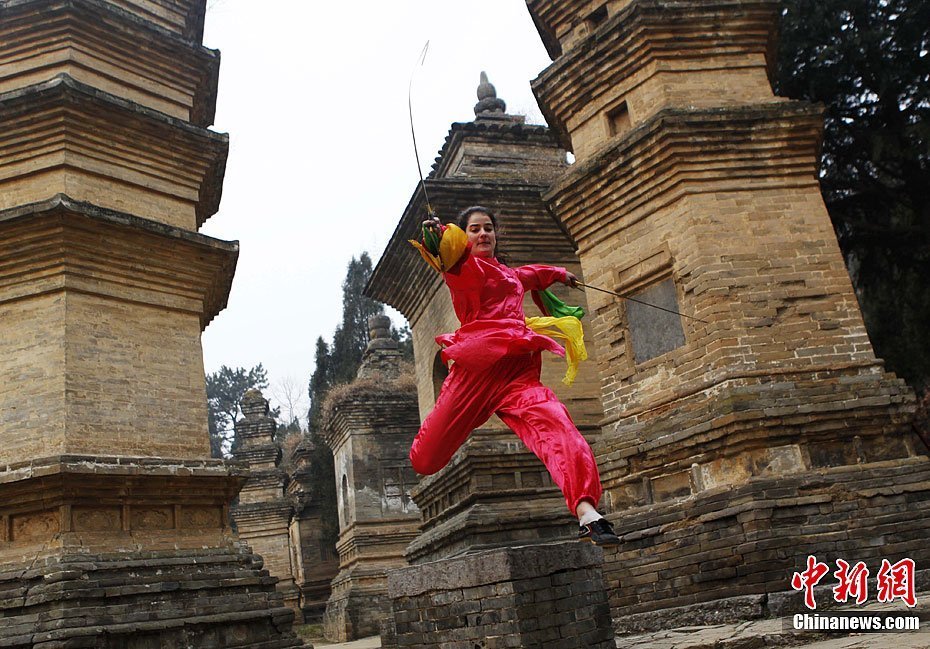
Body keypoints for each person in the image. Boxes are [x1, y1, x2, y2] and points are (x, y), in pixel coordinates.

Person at [408, 205, 619, 546]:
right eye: (474, 229)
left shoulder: (508, 275)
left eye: (488, 228)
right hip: (476, 370)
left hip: (517, 372)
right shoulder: (465, 268)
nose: (483, 234)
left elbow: (528, 275)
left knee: (556, 423)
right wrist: (440, 233)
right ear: (465, 236)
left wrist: (559, 273)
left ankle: (586, 512)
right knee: (426, 458)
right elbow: (451, 255)